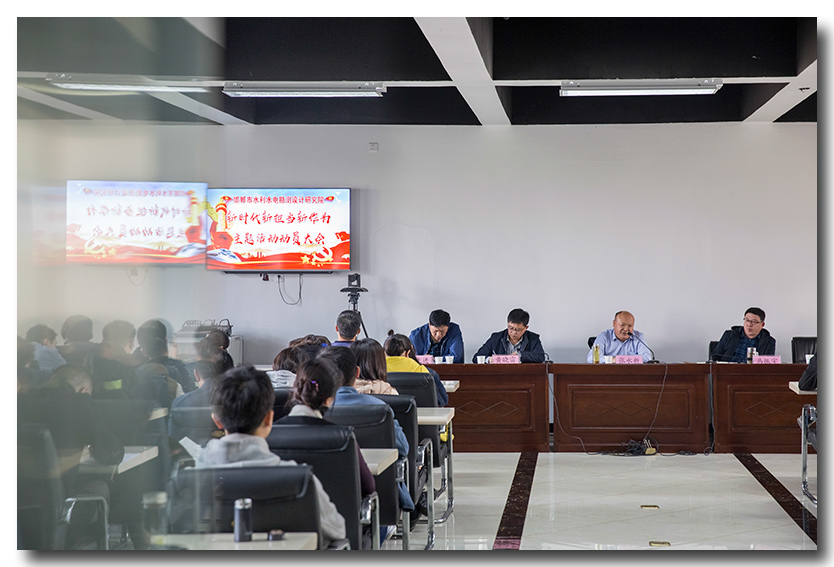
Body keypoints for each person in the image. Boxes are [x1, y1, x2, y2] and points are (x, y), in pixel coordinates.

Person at [196, 364, 346, 547]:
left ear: (217, 420)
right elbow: (338, 529)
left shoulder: (192, 480)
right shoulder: (299, 481)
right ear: (269, 419)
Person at [323, 347, 414, 517]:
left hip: (322, 505)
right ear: (357, 373)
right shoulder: (380, 409)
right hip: (379, 499)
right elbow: (403, 448)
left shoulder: (314, 412)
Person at [276, 357, 376, 499]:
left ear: (296, 390)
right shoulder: (343, 438)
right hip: (336, 511)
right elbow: (368, 486)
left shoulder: (271, 434)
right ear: (329, 399)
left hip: (285, 512)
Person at [384, 331, 448, 406]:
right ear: (408, 353)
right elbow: (443, 400)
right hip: (422, 413)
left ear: (384, 352)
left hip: (388, 412)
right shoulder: (427, 373)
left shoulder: (376, 372)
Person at [472, 308, 546, 363]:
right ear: (507, 323)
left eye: (517, 330)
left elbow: (540, 357)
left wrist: (519, 355)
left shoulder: (533, 339)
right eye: (511, 328)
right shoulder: (496, 338)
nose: (513, 332)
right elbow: (476, 358)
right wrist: (489, 360)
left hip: (524, 376)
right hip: (500, 376)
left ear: (526, 328)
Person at [711, 307, 776, 363]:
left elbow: (767, 366)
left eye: (754, 321)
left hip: (752, 372)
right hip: (728, 371)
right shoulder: (729, 335)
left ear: (762, 324)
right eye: (747, 320)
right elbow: (715, 357)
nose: (749, 324)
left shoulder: (768, 341)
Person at [587, 310, 652, 363]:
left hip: (632, 373)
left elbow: (647, 358)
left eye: (630, 326)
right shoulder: (604, 337)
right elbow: (591, 358)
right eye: (622, 325)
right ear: (614, 323)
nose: (626, 329)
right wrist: (614, 360)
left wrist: (619, 360)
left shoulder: (638, 337)